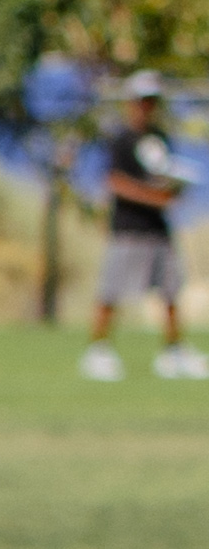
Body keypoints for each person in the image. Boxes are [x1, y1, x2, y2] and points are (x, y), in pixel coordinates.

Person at [86, 76, 189, 382]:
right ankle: (98, 350)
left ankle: (173, 351)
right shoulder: (121, 140)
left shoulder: (160, 138)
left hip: (158, 229)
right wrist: (154, 198)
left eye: (152, 101)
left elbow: (167, 178)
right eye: (142, 100)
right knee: (112, 290)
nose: (147, 107)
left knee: (170, 291)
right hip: (129, 227)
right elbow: (115, 182)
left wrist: (175, 191)